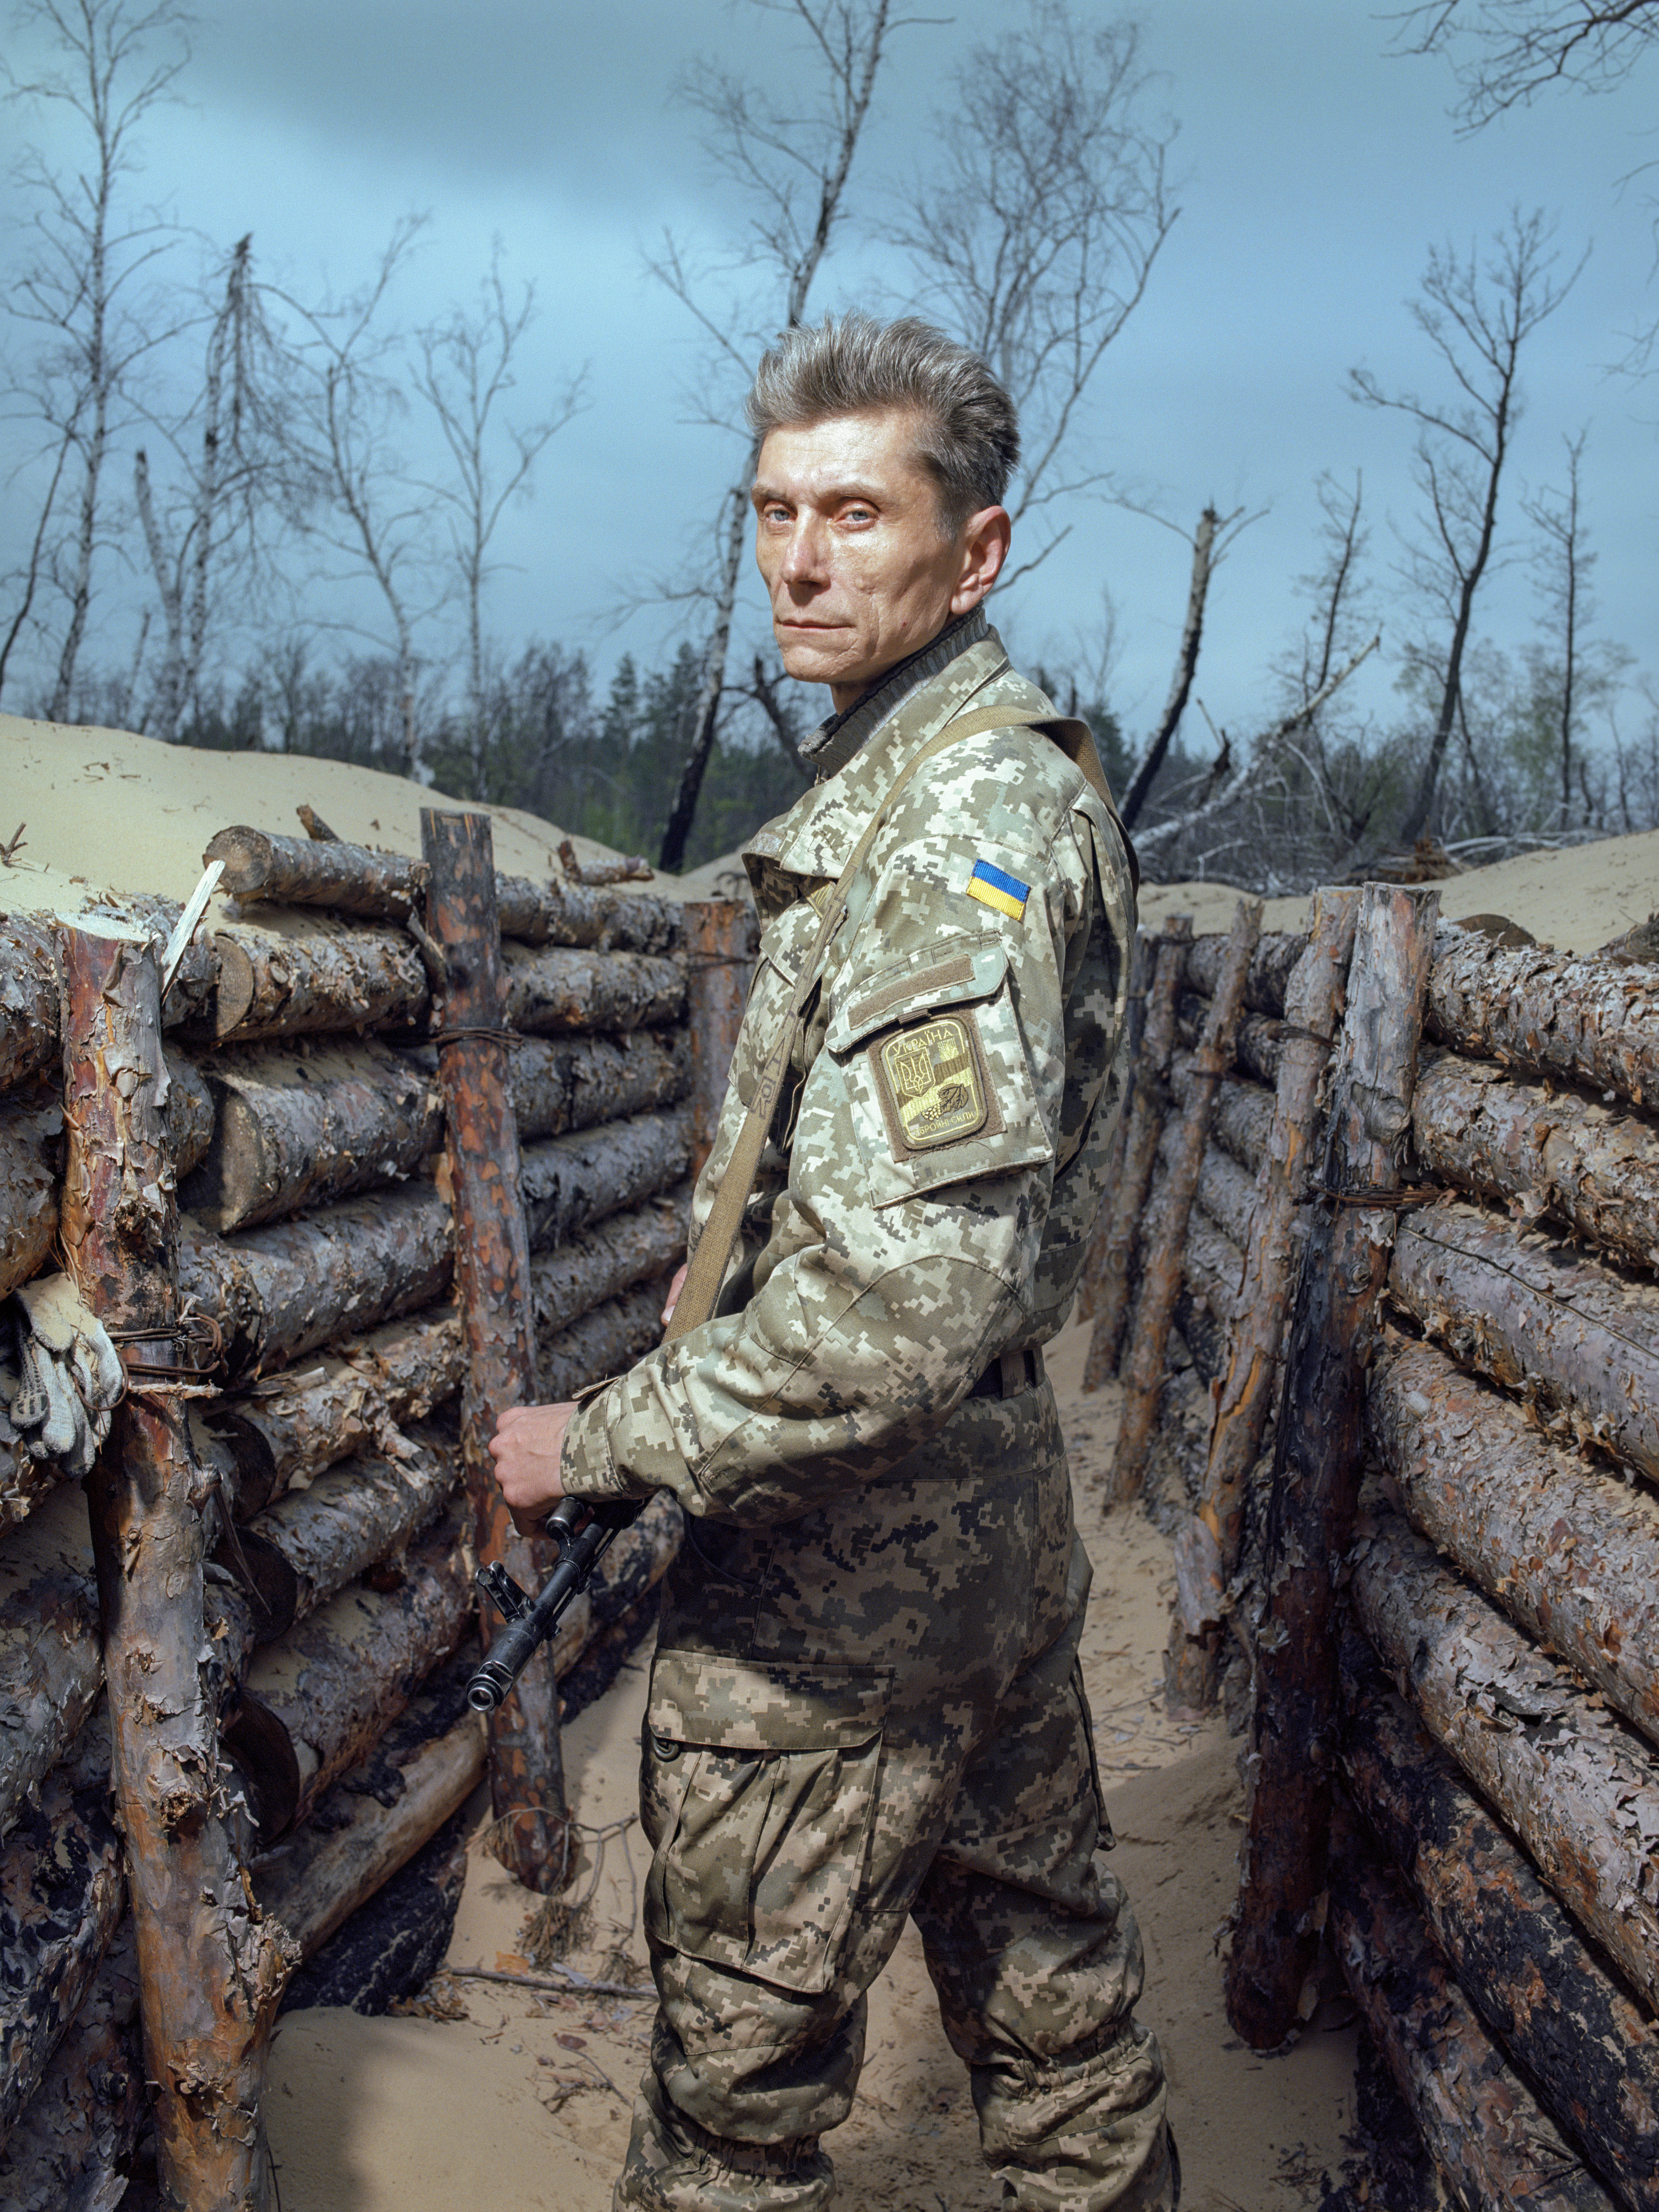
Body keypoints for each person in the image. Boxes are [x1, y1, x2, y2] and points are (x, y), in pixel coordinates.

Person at [490, 313, 1174, 2212]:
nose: (798, 556)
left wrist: (606, 1437)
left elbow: (897, 1300)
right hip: (978, 1528)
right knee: (1058, 2023)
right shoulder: (943, 783)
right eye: (775, 509)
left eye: (857, 512)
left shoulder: (960, 819)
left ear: (978, 552)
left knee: (734, 2115)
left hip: (844, 1588)